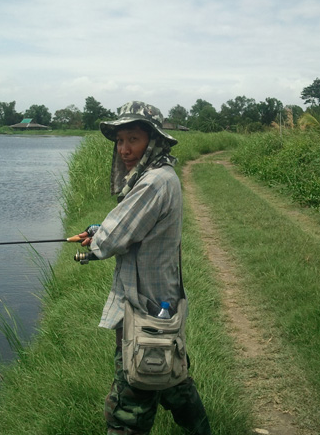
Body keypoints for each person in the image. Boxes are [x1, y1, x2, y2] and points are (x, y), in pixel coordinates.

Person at [78, 101, 211, 435]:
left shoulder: (153, 182)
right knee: (171, 380)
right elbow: (129, 229)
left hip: (144, 306)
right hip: (158, 301)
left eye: (132, 139)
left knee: (131, 400)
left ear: (152, 141)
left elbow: (114, 237)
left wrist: (96, 243)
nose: (124, 149)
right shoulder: (160, 177)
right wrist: (99, 232)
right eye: (120, 140)